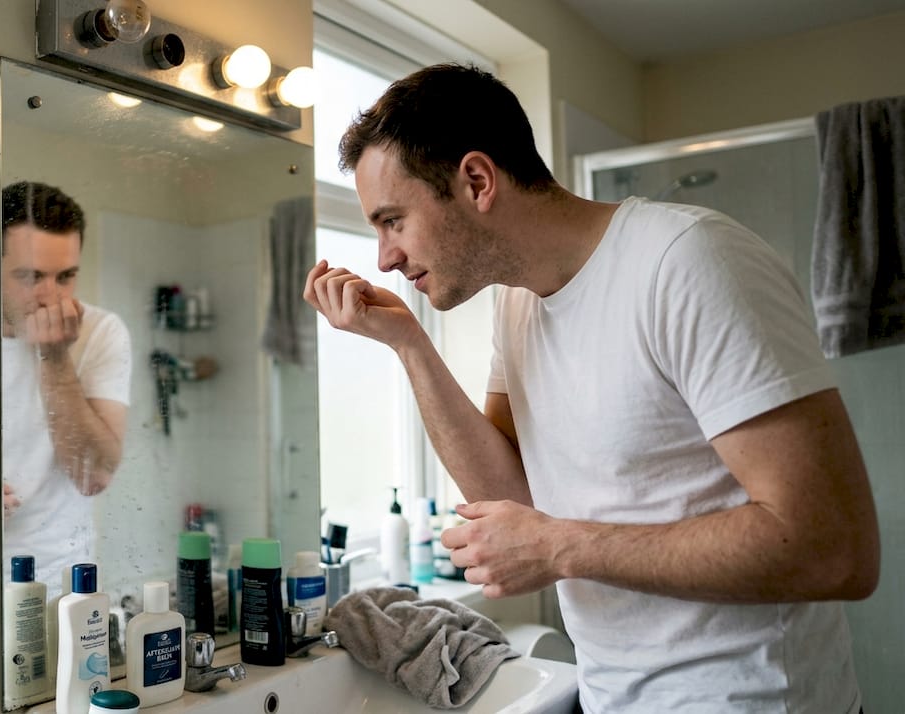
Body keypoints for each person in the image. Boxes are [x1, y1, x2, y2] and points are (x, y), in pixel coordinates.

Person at [304, 64, 879, 712]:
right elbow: (512, 497)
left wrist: (558, 547)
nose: (383, 257)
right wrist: (409, 344)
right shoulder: (517, 308)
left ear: (476, 180)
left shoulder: (687, 263)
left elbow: (834, 548)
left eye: (393, 221)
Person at [0, 181, 132, 591]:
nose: (50, 297)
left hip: (61, 581)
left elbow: (94, 477)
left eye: (65, 277)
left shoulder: (100, 331)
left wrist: (54, 356)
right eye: (30, 276)